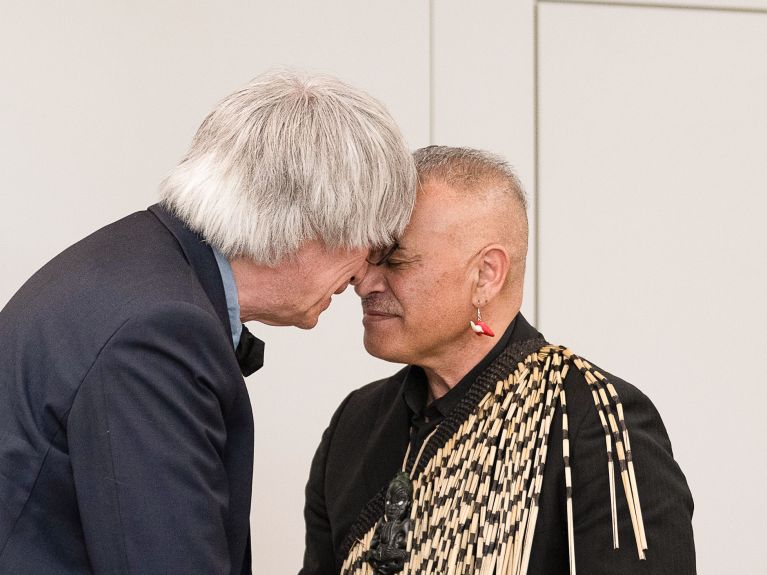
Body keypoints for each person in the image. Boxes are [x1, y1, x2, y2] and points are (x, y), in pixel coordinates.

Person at [0, 71, 416, 575]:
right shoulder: (158, 332)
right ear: (313, 226)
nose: (362, 276)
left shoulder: (135, 264)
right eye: (369, 245)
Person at [301, 146, 696, 575]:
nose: (364, 282)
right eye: (367, 259)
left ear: (486, 275)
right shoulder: (354, 424)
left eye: (395, 259)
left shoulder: (595, 423)